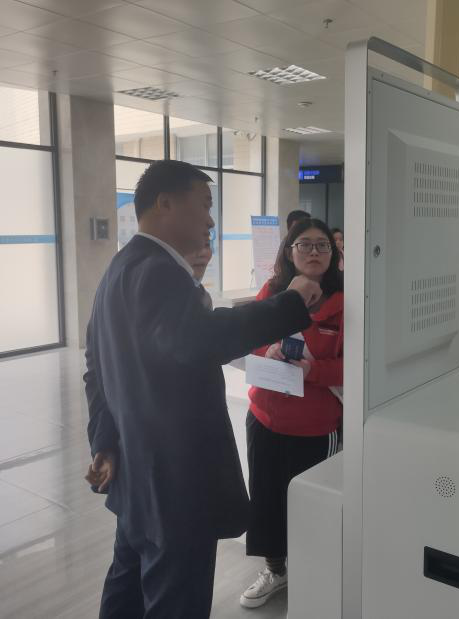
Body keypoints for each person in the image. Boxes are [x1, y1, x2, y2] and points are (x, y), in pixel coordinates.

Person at [83, 159, 322, 619]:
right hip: (177, 485)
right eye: (205, 205)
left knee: (126, 590)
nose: (211, 220)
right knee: (177, 601)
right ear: (165, 203)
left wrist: (105, 442)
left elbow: (97, 368)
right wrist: (291, 301)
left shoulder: (119, 267)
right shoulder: (160, 272)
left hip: (137, 476)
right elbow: (201, 340)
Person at [240, 218, 343, 609]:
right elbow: (248, 341)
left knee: (311, 506)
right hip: (264, 417)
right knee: (266, 499)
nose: (314, 251)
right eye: (305, 244)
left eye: (322, 245)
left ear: (333, 254)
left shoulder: (347, 301)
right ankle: (275, 570)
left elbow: (355, 367)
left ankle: (313, 577)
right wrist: (266, 351)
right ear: (289, 251)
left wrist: (313, 370)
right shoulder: (273, 293)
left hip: (315, 428)